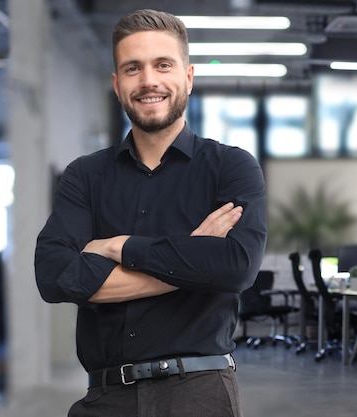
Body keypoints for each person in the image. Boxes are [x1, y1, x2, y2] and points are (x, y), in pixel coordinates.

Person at [35, 8, 267, 417]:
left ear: (188, 77)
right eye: (132, 68)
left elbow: (235, 268)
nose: (148, 81)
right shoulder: (85, 176)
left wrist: (119, 247)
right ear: (117, 83)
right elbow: (55, 277)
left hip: (199, 391)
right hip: (106, 397)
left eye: (163, 65)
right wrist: (193, 260)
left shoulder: (231, 167)